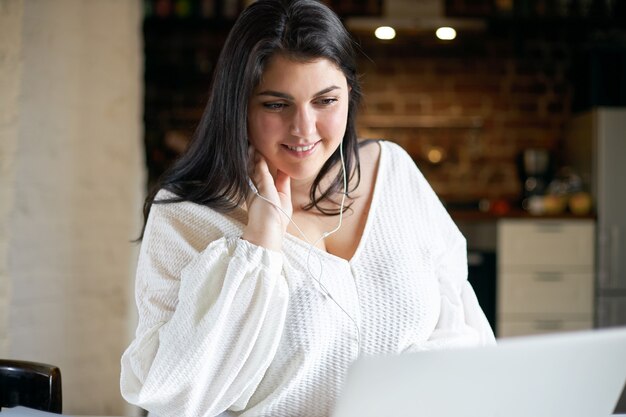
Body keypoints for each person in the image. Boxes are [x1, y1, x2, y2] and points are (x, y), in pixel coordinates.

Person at [120, 0, 496, 416]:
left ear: (349, 96)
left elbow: (463, 330)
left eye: (325, 101)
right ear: (238, 104)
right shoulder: (184, 216)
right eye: (276, 104)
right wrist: (259, 242)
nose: (304, 129)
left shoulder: (394, 172)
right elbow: (175, 394)